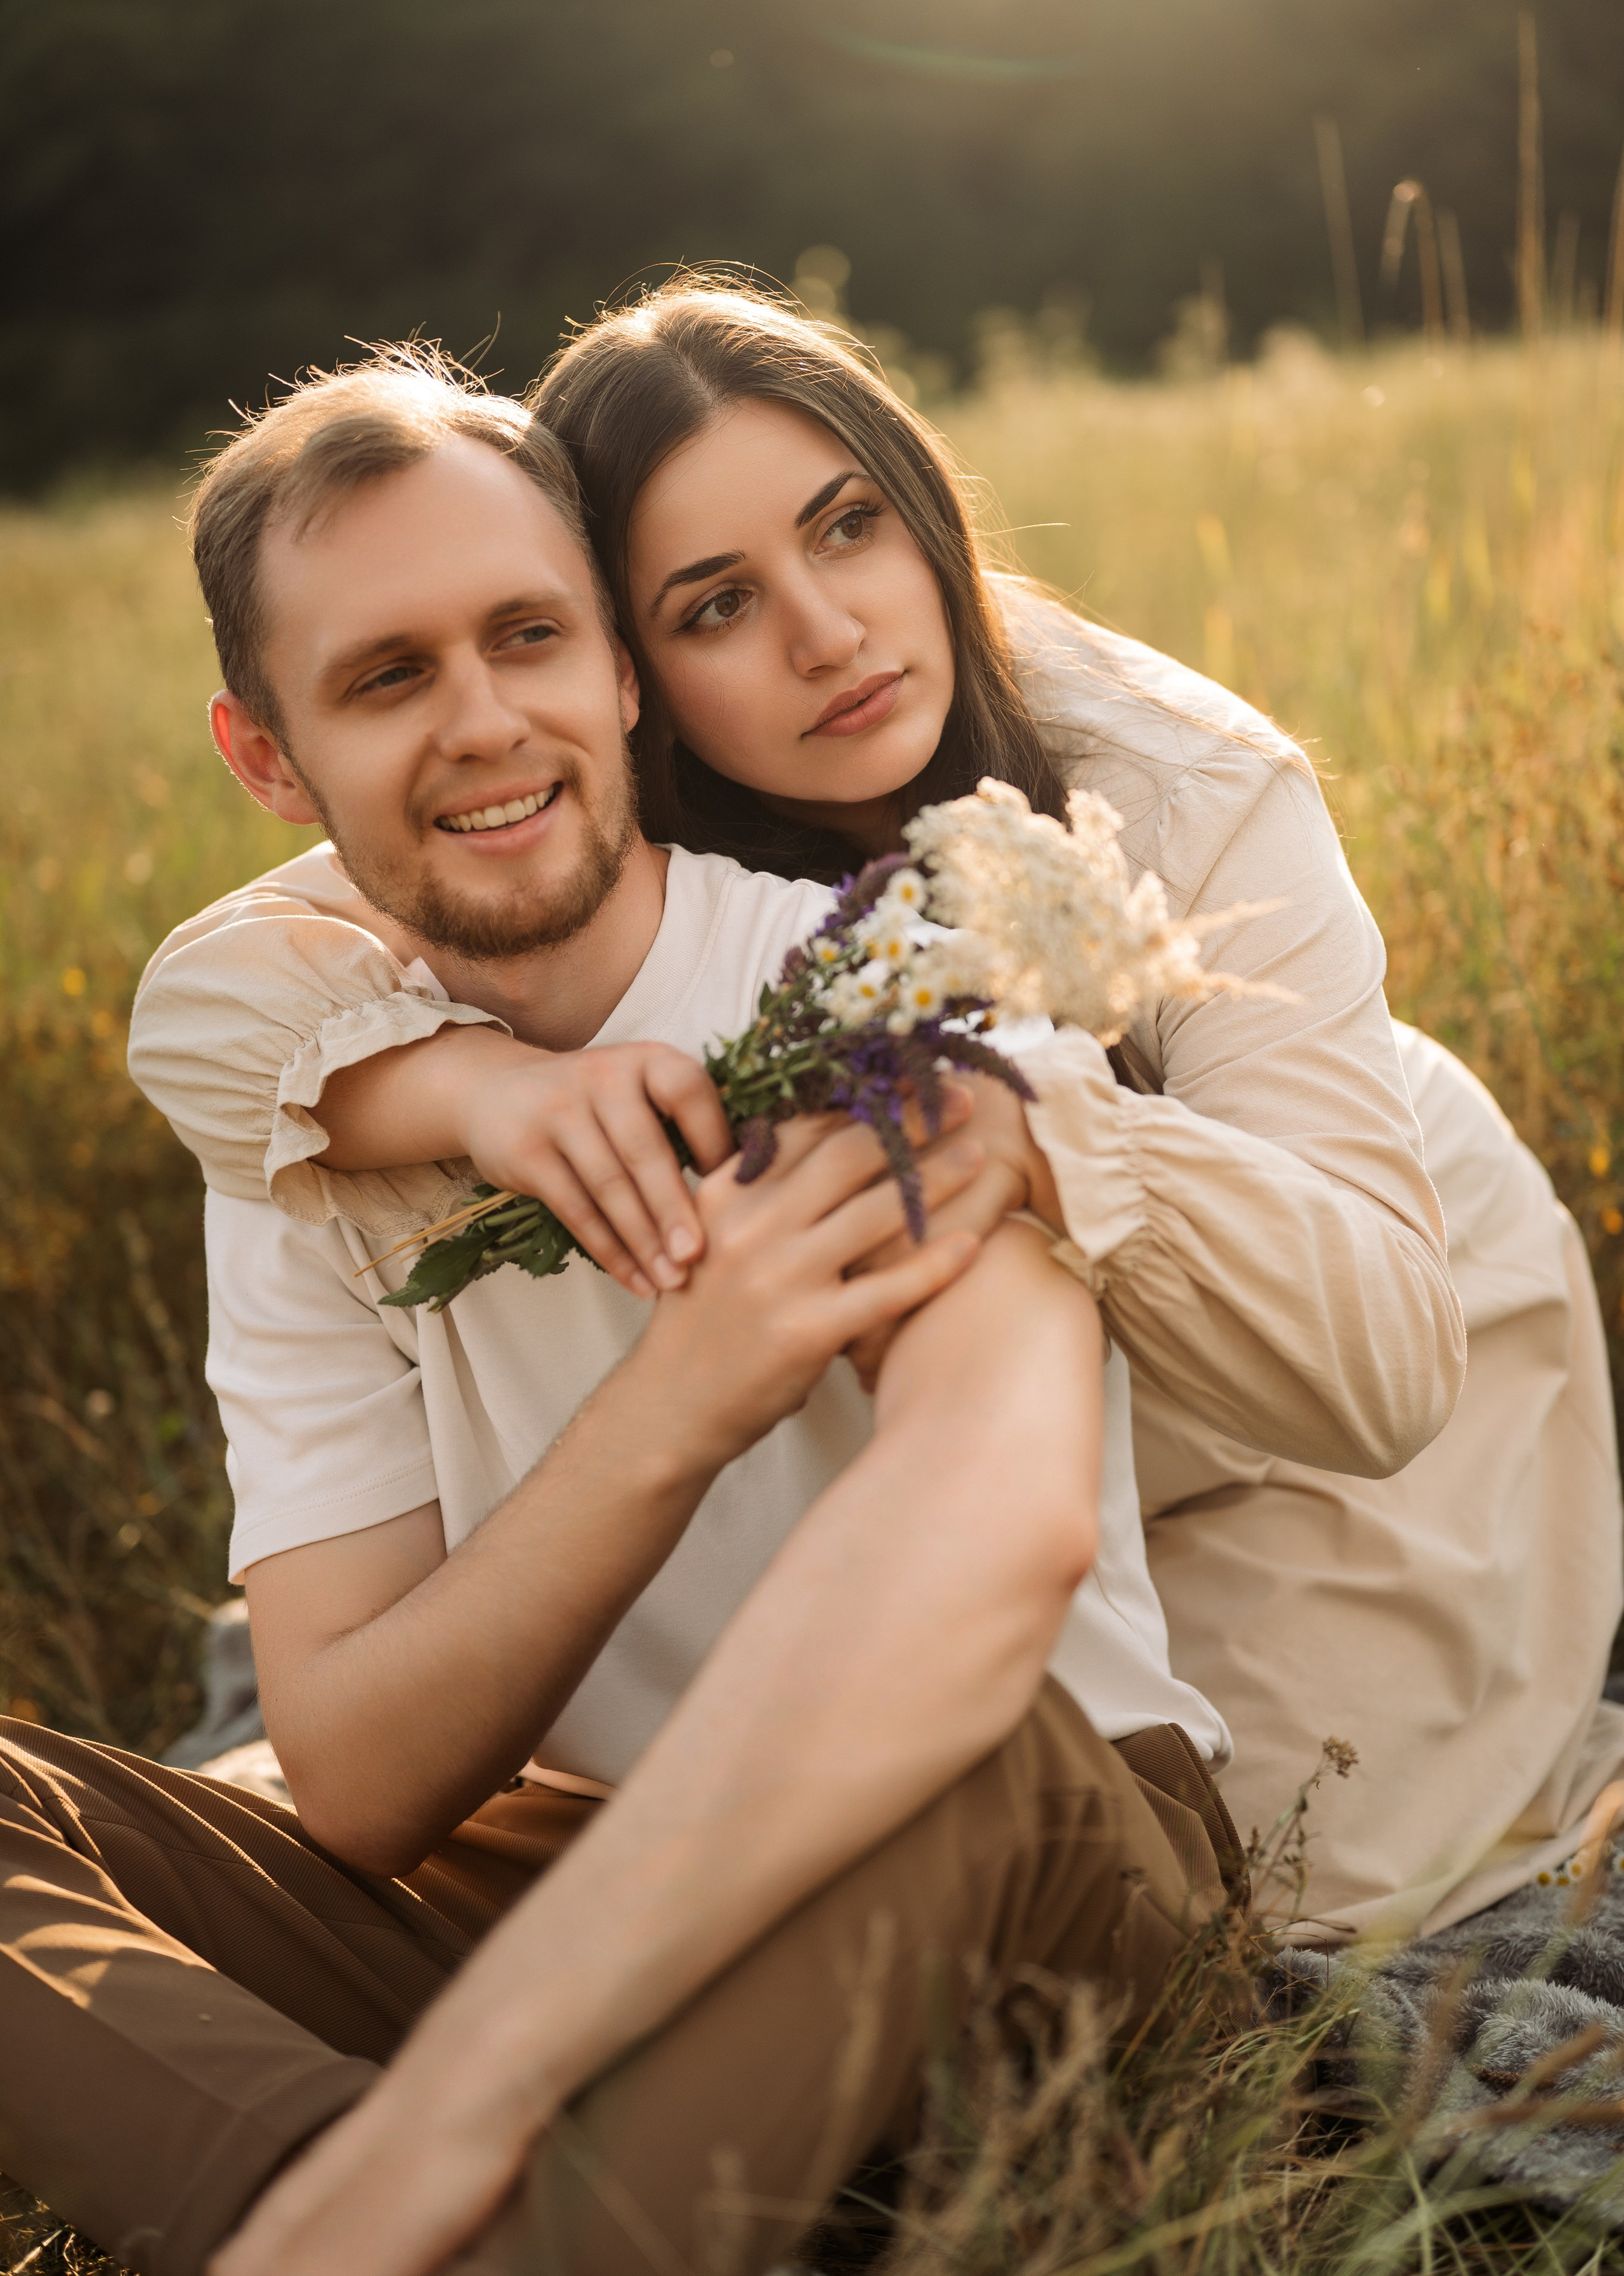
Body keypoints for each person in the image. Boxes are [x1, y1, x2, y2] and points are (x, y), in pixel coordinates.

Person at [132, 282, 1621, 1941]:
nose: (827, 633)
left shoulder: (1180, 781)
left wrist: (1060, 1133)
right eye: (714, 605)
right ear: (626, 657)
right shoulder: (550, 788)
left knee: (1279, 1892)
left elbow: (1387, 1371)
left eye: (851, 527)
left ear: (923, 512)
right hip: (978, 1422)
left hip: (1309, 1324)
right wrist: (467, 1083)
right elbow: (210, 996)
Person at [2, 359, 1243, 2276]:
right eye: (387, 676)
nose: (484, 722)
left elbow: (1000, 1551)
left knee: (983, 1764)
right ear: (267, 759)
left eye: (529, 637)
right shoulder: (309, 1117)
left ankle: (412, 2192)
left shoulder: (875, 1000)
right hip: (585, 1868)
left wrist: (468, 2090)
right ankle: (331, 2197)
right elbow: (359, 1773)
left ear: (623, 672)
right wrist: (674, 1407)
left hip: (1027, 1850)